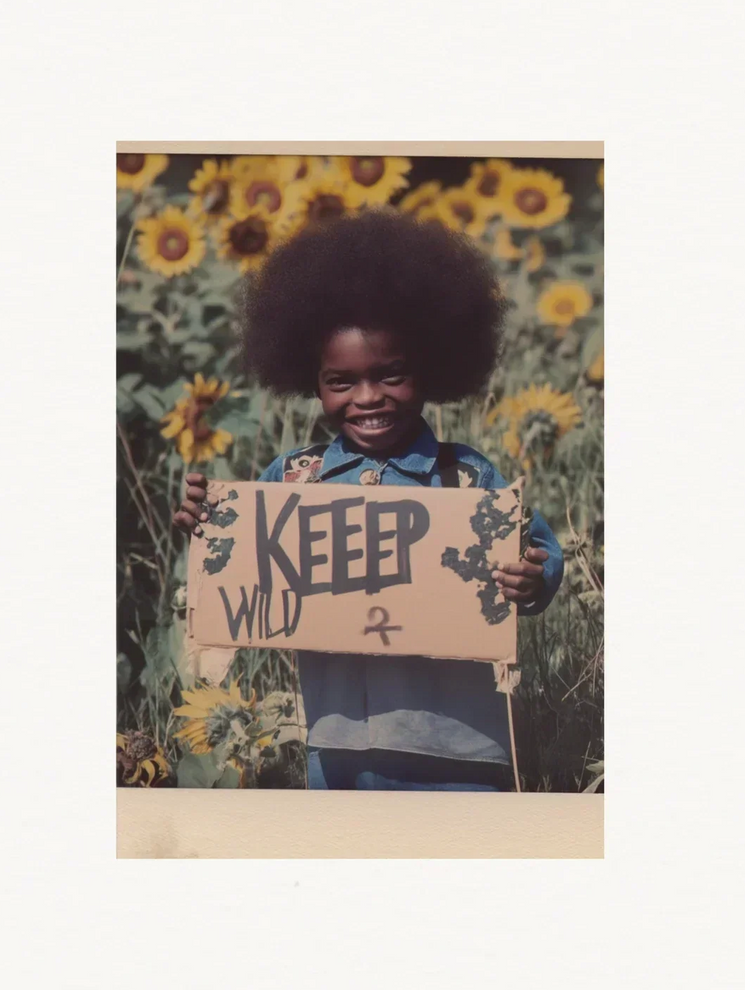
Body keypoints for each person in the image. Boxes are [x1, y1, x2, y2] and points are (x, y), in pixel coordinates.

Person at [172, 207, 564, 790]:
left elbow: (537, 555)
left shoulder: (466, 477)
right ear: (312, 383)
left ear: (430, 370)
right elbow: (243, 559)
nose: (368, 397)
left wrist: (531, 579)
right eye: (342, 382)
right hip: (337, 747)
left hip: (461, 749)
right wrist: (210, 524)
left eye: (391, 375)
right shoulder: (294, 479)